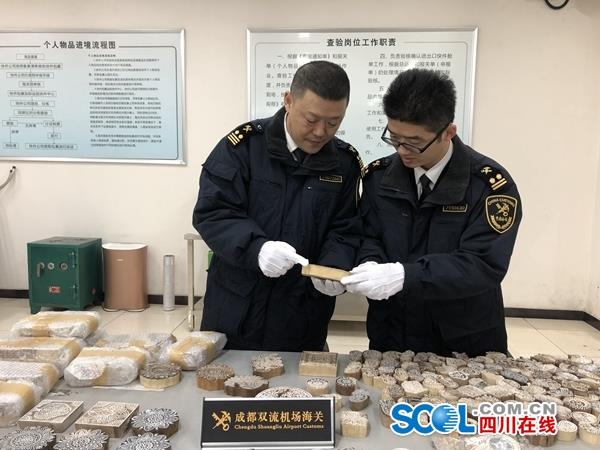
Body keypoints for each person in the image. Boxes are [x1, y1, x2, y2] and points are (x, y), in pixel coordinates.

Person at [341, 68, 522, 357]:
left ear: (448, 132)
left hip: (463, 338)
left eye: (414, 142)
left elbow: (483, 264)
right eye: (394, 138)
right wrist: (370, 262)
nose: (402, 150)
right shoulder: (379, 177)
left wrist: (407, 275)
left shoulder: (488, 186)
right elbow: (369, 236)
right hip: (393, 331)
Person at [192, 60, 363, 351]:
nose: (321, 132)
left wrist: (335, 264)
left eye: (333, 122)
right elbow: (214, 212)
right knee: (228, 377)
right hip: (237, 305)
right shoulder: (243, 148)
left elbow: (346, 228)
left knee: (299, 378)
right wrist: (256, 249)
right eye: (311, 119)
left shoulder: (344, 163)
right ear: (288, 100)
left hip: (302, 311)